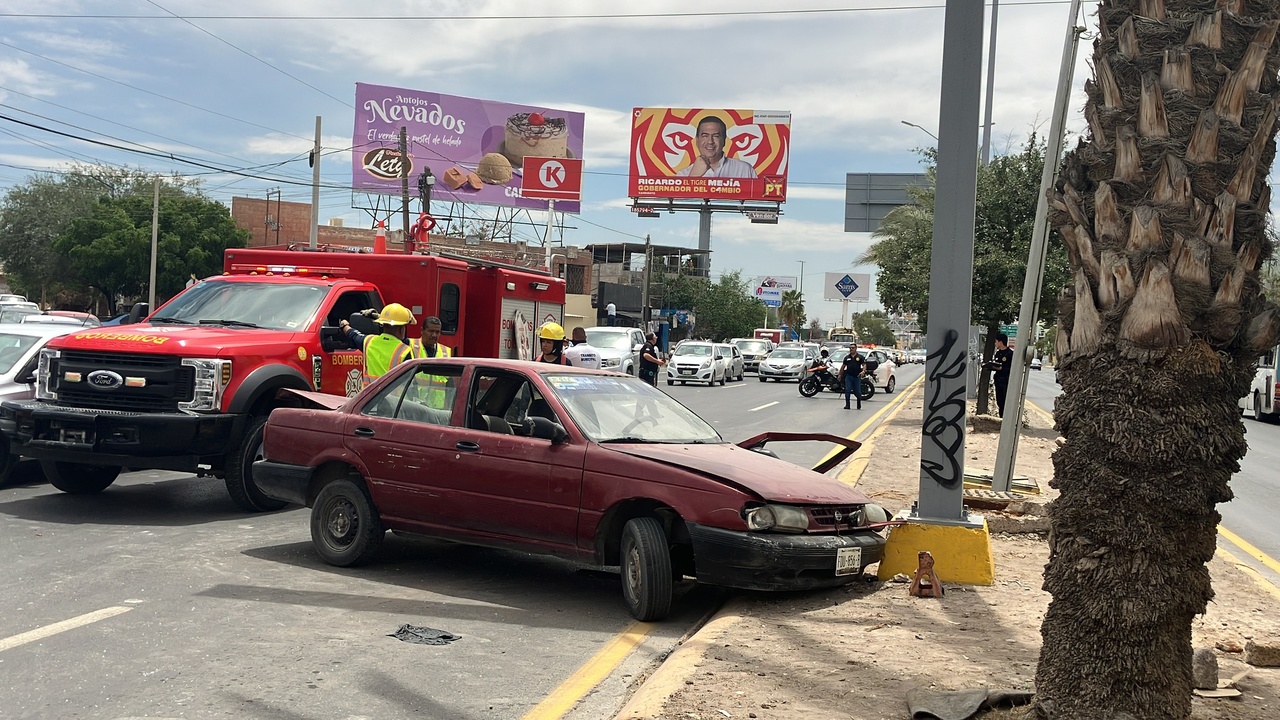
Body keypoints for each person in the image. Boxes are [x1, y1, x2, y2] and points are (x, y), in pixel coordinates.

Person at [340, 304, 451, 389]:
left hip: (368, 404)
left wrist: (344, 325)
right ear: (401, 329)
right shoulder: (405, 350)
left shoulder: (368, 342)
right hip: (393, 408)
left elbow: (353, 334)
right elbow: (411, 384)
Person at [676, 116, 758, 179]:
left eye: (716, 136)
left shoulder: (744, 170)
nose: (710, 141)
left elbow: (758, 200)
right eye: (705, 136)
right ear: (697, 140)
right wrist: (693, 177)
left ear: (724, 140)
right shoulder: (683, 175)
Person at [989, 333, 1014, 417]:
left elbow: (1010, 368)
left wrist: (1001, 368)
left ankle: (1006, 418)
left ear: (1000, 342)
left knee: (1005, 401)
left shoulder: (1010, 354)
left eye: (996, 341)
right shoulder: (998, 353)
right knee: (999, 401)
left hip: (1006, 380)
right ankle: (1001, 418)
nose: (995, 343)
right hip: (998, 380)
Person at [837, 344, 866, 410]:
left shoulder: (860, 357)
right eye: (850, 348)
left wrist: (863, 371)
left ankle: (858, 404)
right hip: (849, 376)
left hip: (857, 376)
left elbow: (864, 365)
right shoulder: (847, 358)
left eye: (853, 348)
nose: (851, 349)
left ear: (856, 348)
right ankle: (847, 405)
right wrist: (840, 375)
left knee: (858, 391)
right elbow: (843, 366)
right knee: (847, 390)